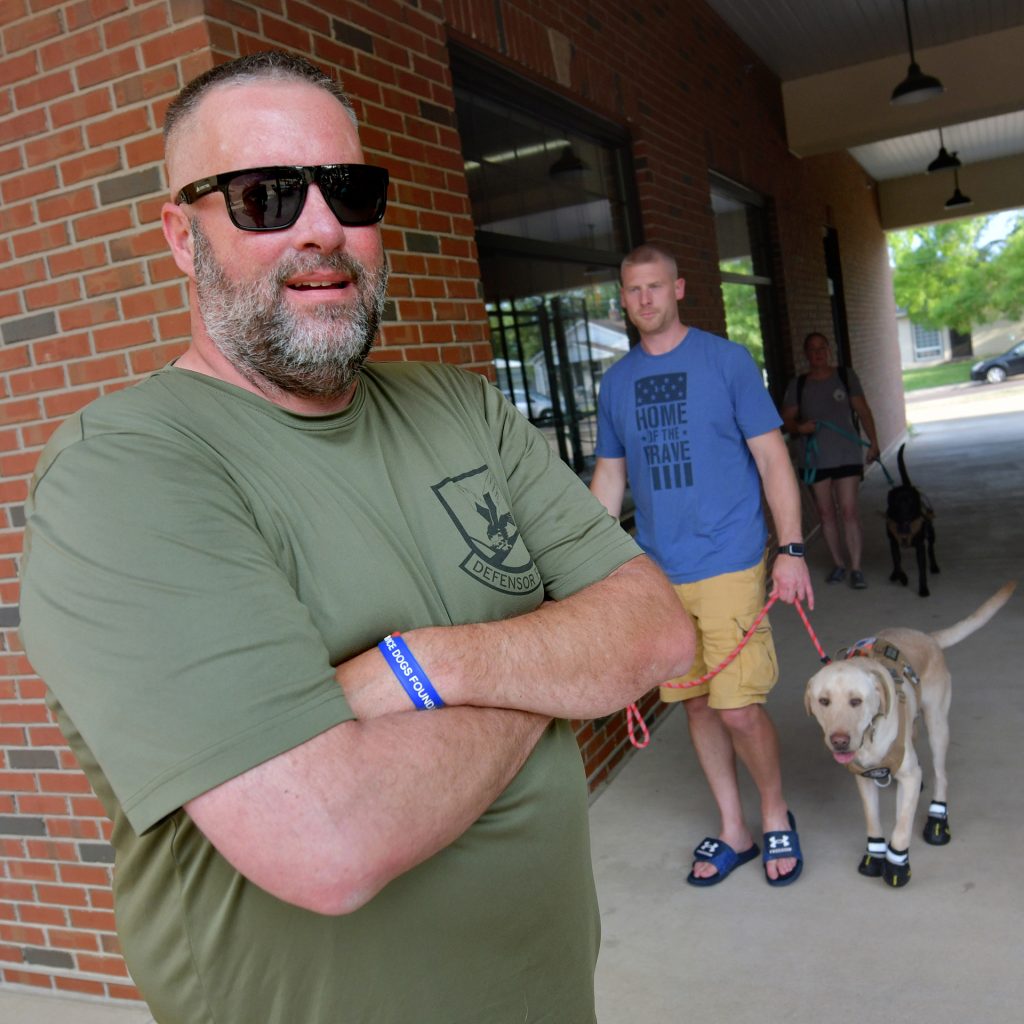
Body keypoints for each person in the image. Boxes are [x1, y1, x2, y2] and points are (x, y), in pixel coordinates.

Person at [19, 53, 696, 1024]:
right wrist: (551, 671)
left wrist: (418, 666)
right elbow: (329, 841)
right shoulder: (123, 474)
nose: (322, 228)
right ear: (181, 234)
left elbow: (657, 631)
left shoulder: (460, 409)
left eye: (350, 189)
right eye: (264, 196)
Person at [589, 243, 814, 888]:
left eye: (655, 287)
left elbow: (773, 459)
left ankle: (775, 814)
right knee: (695, 706)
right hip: (661, 573)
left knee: (739, 706)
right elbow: (610, 475)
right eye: (633, 291)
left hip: (731, 559)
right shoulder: (617, 383)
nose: (645, 301)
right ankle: (733, 827)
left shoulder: (726, 362)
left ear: (679, 288)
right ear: (624, 299)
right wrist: (591, 569)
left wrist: (791, 549)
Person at [780, 331, 881, 589]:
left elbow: (863, 409)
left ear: (829, 350)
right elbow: (787, 419)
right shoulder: (798, 385)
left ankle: (856, 567)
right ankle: (838, 564)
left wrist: (874, 441)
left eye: (822, 348)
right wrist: (800, 428)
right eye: (812, 350)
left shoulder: (846, 377)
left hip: (846, 453)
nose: (818, 353)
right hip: (815, 459)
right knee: (826, 514)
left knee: (848, 510)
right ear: (806, 355)